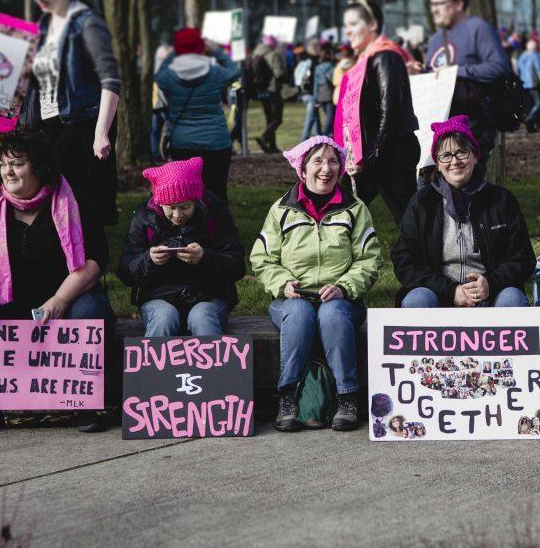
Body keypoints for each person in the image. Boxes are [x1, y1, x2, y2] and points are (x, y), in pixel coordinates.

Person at [0, 130, 115, 436]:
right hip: (2, 305)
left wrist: (59, 300)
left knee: (92, 313)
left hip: (65, 301)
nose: (8, 171)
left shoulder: (73, 202)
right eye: (4, 164)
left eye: (17, 163)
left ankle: (85, 405)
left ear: (39, 168)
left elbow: (96, 261)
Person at [251, 135, 382, 432]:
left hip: (341, 300)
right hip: (292, 299)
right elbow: (261, 258)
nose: (326, 169)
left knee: (332, 314)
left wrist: (344, 287)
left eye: (333, 161)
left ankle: (347, 396)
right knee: (299, 314)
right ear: (303, 169)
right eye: (318, 161)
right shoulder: (282, 210)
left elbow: (370, 259)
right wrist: (283, 283)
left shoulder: (355, 208)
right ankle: (288, 398)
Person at [17, 0, 120, 225]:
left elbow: (110, 79)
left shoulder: (86, 23)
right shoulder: (42, 27)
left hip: (81, 123)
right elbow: (26, 81)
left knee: (78, 199)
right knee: (52, 196)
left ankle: (88, 258)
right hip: (47, 124)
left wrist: (101, 134)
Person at [392, 115, 535, 309]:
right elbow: (405, 260)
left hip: (491, 294)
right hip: (438, 293)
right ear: (438, 163)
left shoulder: (501, 200)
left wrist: (490, 282)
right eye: (446, 155)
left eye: (462, 152)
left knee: (512, 299)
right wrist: (451, 291)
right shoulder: (422, 203)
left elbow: (523, 258)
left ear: (475, 156)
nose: (455, 161)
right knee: (416, 300)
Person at [117, 158, 245, 337]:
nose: (177, 215)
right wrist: (149, 260)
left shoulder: (216, 213)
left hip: (209, 296)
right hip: (158, 297)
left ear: (196, 201)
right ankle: (155, 365)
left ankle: (212, 366)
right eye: (171, 208)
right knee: (163, 318)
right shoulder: (144, 218)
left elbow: (237, 266)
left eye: (185, 207)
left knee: (202, 318)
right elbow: (125, 271)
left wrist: (205, 258)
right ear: (159, 203)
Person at [336, 0, 420, 225]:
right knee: (340, 208)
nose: (348, 32)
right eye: (346, 26)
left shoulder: (385, 56)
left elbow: (389, 110)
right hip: (373, 154)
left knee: (408, 219)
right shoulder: (367, 60)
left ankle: (425, 258)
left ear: (372, 25)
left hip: (390, 153)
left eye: (353, 24)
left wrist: (370, 156)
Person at [424, 0, 512, 163]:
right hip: (438, 124)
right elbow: (434, 75)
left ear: (458, 4)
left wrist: (457, 71)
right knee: (429, 187)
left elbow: (500, 67)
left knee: (466, 187)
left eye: (440, 3)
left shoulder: (478, 28)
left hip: (473, 123)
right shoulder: (435, 39)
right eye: (432, 4)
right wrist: (420, 71)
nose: (434, 9)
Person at [155, 28, 241, 201]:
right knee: (217, 195)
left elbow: (158, 74)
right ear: (201, 47)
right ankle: (217, 226)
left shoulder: (168, 76)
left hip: (182, 143)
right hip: (215, 141)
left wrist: (173, 53)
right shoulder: (215, 72)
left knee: (187, 195)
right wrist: (216, 50)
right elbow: (234, 70)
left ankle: (192, 227)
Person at [252, 34, 286, 154]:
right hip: (273, 89)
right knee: (277, 118)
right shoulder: (273, 54)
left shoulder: (256, 53)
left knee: (269, 118)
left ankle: (272, 146)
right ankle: (264, 137)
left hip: (262, 90)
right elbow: (278, 73)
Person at [517, 40, 540, 133]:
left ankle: (530, 128)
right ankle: (528, 119)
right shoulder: (535, 56)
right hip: (534, 83)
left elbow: (518, 70)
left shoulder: (521, 57)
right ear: (534, 47)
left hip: (524, 83)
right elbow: (539, 69)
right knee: (538, 104)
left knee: (529, 105)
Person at [297, 38, 321, 140]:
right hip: (311, 94)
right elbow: (314, 81)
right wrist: (316, 97)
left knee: (316, 119)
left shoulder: (304, 60)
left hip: (304, 93)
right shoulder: (314, 63)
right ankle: (303, 142)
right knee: (310, 119)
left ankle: (321, 140)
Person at [313, 44, 336, 136]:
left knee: (329, 118)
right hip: (330, 94)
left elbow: (315, 84)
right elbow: (333, 81)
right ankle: (325, 136)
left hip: (320, 95)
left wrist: (315, 98)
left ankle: (330, 135)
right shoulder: (331, 67)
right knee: (330, 118)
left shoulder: (317, 68)